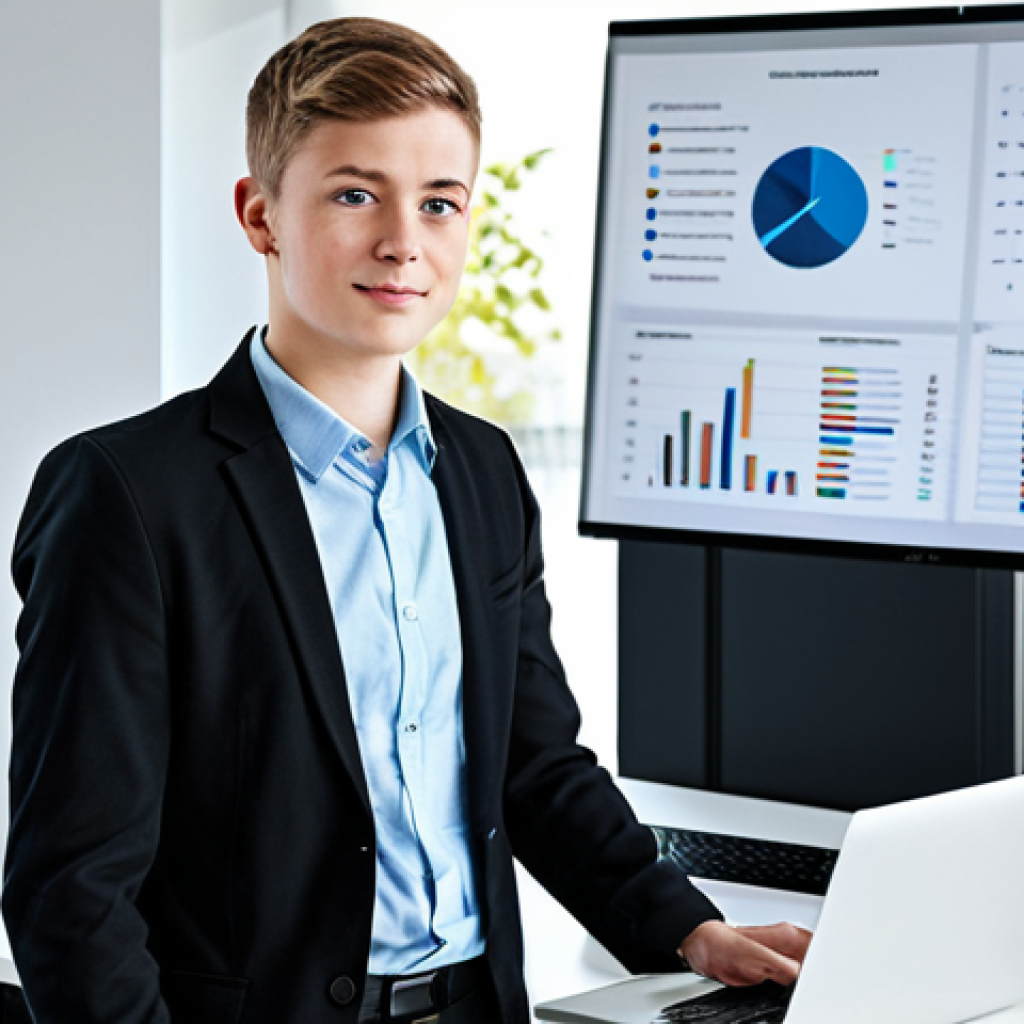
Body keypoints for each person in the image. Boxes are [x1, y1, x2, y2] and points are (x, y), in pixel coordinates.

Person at [3, 17, 810, 1024]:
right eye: (354, 194)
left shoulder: (478, 469)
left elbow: (531, 761)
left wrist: (686, 926)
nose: (402, 242)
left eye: (438, 203)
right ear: (259, 215)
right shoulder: (126, 493)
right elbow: (71, 889)